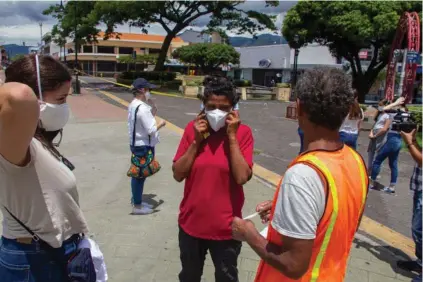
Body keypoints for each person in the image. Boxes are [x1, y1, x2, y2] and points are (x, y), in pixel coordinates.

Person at [231, 67, 368, 282]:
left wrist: (249, 233)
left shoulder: (303, 175)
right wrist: (285, 209)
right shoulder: (356, 161)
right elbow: (341, 220)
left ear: (299, 107)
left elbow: (294, 265)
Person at [0, 54, 89, 281]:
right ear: (35, 99)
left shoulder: (36, 140)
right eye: (60, 99)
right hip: (33, 257)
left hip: (53, 250)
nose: (64, 107)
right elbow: (15, 95)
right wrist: (30, 101)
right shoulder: (16, 144)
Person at [173, 76, 254, 282]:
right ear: (203, 106)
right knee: (189, 276)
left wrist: (232, 137)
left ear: (233, 109)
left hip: (227, 229)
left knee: (227, 277)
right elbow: (177, 174)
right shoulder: (193, 130)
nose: (217, 112)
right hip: (191, 225)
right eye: (211, 106)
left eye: (224, 107)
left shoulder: (243, 133)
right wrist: (196, 142)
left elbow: (242, 177)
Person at [128, 78, 166, 215]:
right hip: (143, 145)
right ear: (142, 90)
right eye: (149, 89)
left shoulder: (134, 105)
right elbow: (151, 129)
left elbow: (147, 118)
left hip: (137, 143)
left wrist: (153, 106)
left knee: (139, 174)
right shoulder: (142, 108)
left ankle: (137, 200)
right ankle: (137, 206)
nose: (150, 92)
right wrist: (161, 123)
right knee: (139, 175)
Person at [397, 128, 422, 282]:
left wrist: (409, 143)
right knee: (418, 230)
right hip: (420, 188)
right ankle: (420, 263)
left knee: (419, 231)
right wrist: (413, 140)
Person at [369, 97, 406, 193]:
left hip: (391, 138)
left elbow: (382, 109)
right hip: (399, 139)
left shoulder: (394, 112)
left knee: (377, 160)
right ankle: (392, 187)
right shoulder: (406, 113)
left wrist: (394, 103)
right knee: (393, 163)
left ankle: (372, 183)